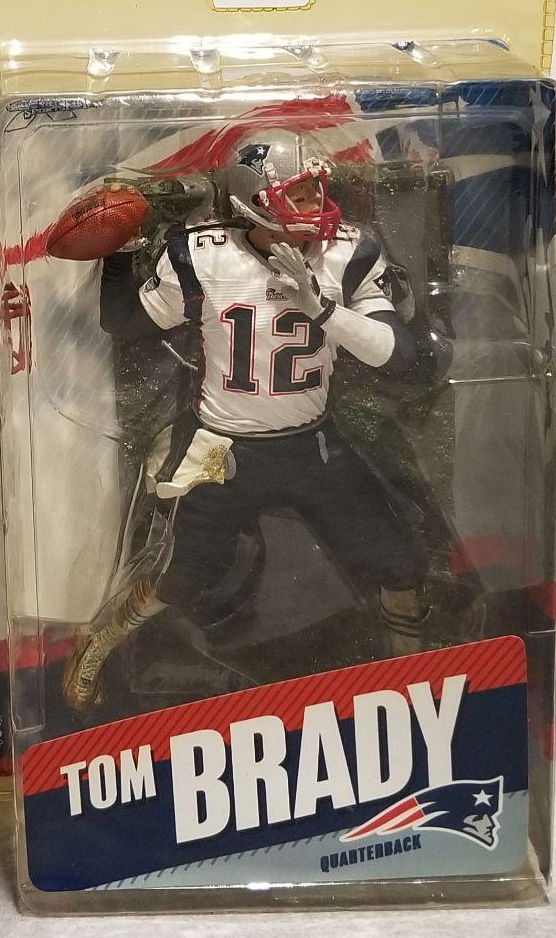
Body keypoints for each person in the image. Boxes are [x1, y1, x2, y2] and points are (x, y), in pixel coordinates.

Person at [63, 128, 431, 711]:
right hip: (223, 449)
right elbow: (127, 324)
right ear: (253, 199)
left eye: (318, 189)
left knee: (400, 561)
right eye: (300, 192)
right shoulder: (203, 256)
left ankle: (410, 667)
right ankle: (99, 638)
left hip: (311, 444)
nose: (317, 204)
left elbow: (400, 355)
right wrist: (119, 255)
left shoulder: (347, 252)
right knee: (185, 576)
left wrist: (324, 311)